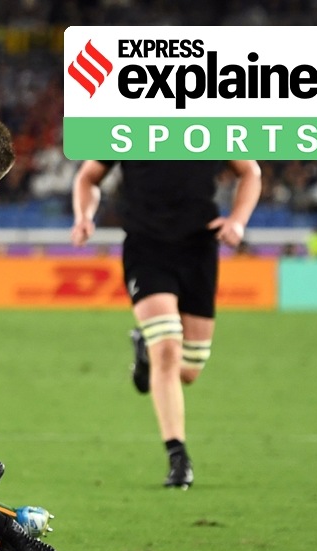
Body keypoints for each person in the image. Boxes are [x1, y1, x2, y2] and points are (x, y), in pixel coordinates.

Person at [71, 160, 262, 488]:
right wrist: (84, 216)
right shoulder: (126, 122)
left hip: (200, 249)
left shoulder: (211, 120)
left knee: (189, 370)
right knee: (169, 351)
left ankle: (146, 350)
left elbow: (251, 172)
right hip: (147, 248)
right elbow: (88, 177)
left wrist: (238, 222)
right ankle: (178, 456)